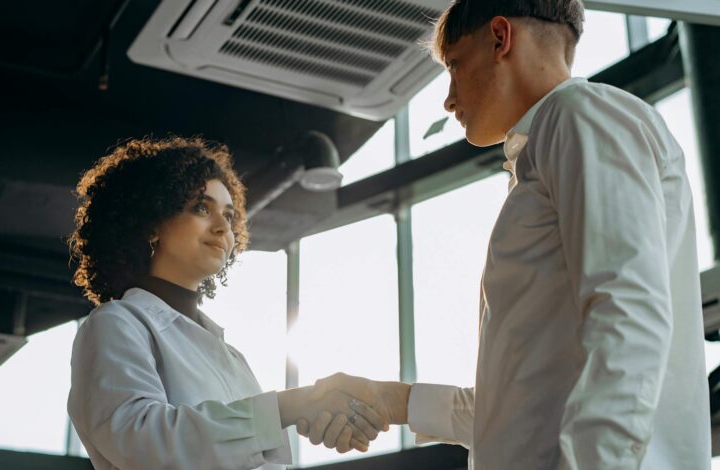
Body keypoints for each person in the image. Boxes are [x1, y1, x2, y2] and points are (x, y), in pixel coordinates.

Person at [300, 1, 712, 468]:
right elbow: (523, 408)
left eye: (454, 65)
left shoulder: (580, 115)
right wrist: (390, 401)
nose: (449, 98)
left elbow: (628, 314)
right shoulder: (556, 139)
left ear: (500, 38)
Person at [66, 136, 385, 470]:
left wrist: (316, 414)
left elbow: (252, 453)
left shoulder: (232, 357)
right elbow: (141, 443)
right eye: (202, 208)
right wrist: (289, 408)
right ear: (151, 223)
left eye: (229, 216)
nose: (222, 228)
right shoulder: (116, 323)